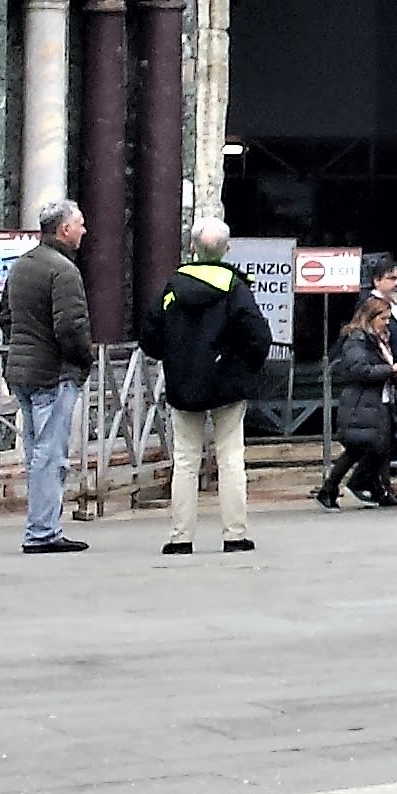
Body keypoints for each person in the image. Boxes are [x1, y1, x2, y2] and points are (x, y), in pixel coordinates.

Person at [138, 219, 278, 556]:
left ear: (191, 248)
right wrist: (243, 368)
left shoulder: (171, 287)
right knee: (230, 458)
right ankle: (234, 535)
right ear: (227, 249)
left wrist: (174, 359)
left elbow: (149, 337)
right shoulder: (234, 287)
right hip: (227, 384)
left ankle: (180, 537)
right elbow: (259, 336)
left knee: (185, 460)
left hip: (183, 384)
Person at [0, 199, 93, 555]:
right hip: (52, 373)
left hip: (22, 370)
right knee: (50, 454)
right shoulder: (63, 270)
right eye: (80, 224)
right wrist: (82, 361)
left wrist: (21, 346)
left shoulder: (22, 265)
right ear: (64, 229)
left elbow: (5, 317)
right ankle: (42, 531)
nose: (84, 230)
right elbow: (71, 327)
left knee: (37, 451)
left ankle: (43, 525)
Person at [317, 293, 397, 509]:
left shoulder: (377, 340)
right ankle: (357, 486)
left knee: (380, 447)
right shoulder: (357, 340)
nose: (387, 323)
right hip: (363, 402)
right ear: (370, 318)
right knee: (368, 447)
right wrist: (390, 369)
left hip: (379, 400)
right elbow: (360, 370)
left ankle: (378, 489)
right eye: (383, 318)